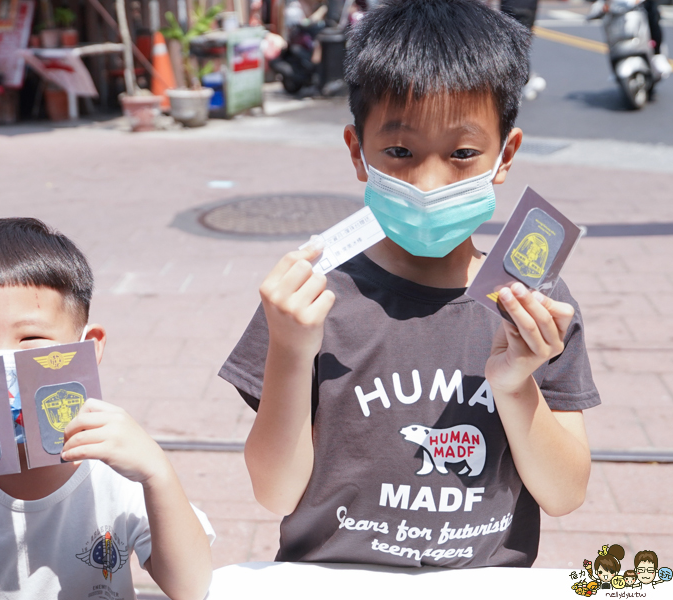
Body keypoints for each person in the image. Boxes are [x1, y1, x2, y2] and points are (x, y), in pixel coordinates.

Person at [219, 0, 598, 568]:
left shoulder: (536, 305)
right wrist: (293, 352)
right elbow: (274, 492)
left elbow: (566, 494)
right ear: (357, 151)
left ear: (505, 155)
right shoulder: (311, 302)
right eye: (399, 152)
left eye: (463, 154)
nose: (428, 181)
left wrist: (518, 384)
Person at [0, 218, 214, 600]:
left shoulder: (117, 459)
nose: (2, 360)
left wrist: (158, 474)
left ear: (88, 347)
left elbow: (191, 587)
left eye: (32, 338)